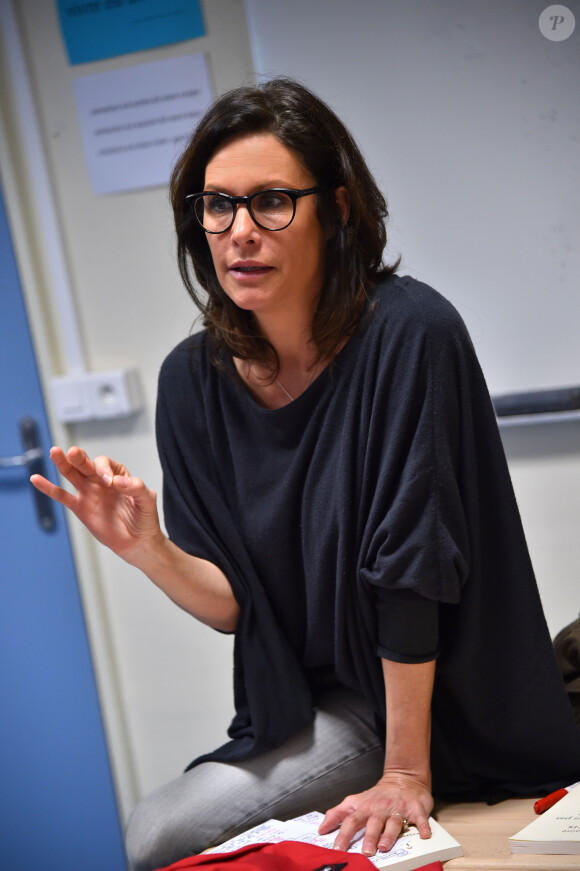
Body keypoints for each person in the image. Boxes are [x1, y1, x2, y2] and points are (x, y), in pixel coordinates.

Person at [32, 77, 580, 871]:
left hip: (439, 697)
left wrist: (406, 772)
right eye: (216, 205)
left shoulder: (410, 332)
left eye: (272, 202)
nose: (239, 232)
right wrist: (148, 547)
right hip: (317, 703)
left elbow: (411, 575)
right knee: (154, 832)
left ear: (339, 209)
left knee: (160, 836)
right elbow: (233, 606)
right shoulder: (192, 380)